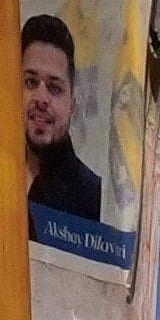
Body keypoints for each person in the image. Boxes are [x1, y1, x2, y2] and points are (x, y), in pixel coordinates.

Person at [21, 13, 108, 230]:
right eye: (30, 82)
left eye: (54, 87)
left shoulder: (93, 197)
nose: (41, 99)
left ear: (72, 105)